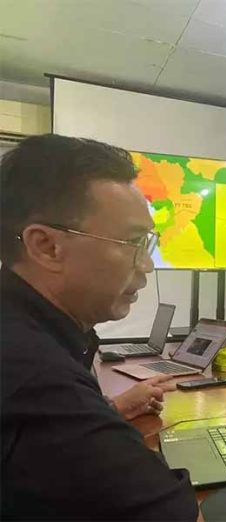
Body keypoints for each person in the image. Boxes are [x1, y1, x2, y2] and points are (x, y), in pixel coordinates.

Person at [0, 134, 199, 519]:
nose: (147, 265)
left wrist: (109, 411)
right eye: (133, 242)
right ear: (46, 247)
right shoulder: (36, 379)